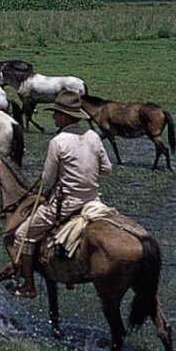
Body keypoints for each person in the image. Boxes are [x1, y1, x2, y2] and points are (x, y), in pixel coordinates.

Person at [10, 89, 113, 299]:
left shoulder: (58, 141)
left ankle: (29, 286)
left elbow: (47, 181)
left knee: (22, 235)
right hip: (92, 201)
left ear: (66, 116)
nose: (54, 116)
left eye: (56, 113)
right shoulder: (92, 135)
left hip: (66, 204)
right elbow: (107, 168)